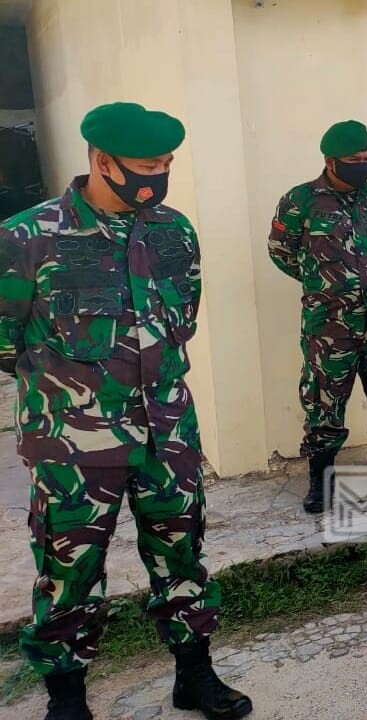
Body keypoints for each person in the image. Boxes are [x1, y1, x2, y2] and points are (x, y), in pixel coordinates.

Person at [0, 102, 251, 720]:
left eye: (165, 164)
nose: (157, 176)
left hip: (168, 432)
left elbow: (181, 319)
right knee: (69, 573)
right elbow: (5, 343)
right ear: (101, 160)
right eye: (146, 165)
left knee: (182, 556)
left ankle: (194, 675)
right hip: (73, 445)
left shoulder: (174, 231)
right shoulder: (27, 237)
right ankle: (66, 697)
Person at [268, 120, 367, 513]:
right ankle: (322, 480)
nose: (362, 164)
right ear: (330, 162)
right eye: (353, 159)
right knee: (324, 400)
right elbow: (281, 251)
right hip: (330, 324)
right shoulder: (300, 201)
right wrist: (322, 283)